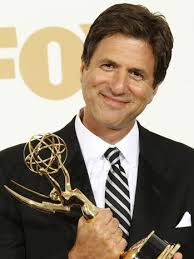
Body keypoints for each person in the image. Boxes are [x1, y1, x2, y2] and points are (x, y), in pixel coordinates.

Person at [0, 3, 193, 259]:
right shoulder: (11, 172)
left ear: (153, 89)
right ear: (83, 69)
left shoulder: (188, 168)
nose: (118, 86)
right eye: (108, 66)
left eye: (136, 74)